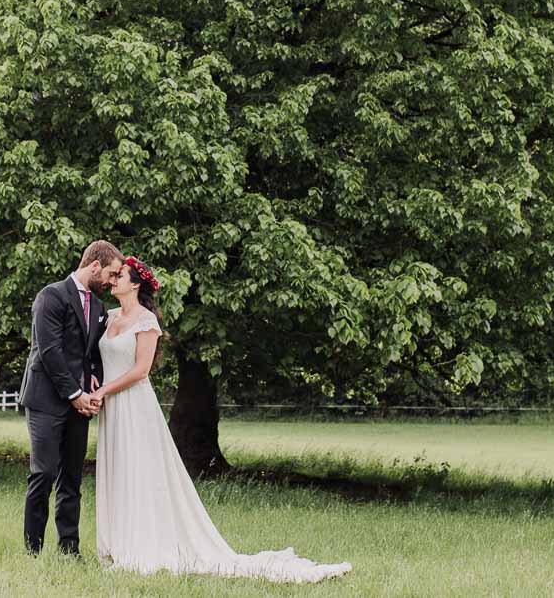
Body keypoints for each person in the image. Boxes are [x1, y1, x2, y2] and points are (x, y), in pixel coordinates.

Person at [88, 255, 352, 582]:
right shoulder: (109, 316)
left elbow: (140, 370)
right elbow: (99, 359)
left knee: (139, 471)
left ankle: (142, 544)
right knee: (118, 469)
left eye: (120, 276)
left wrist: (105, 390)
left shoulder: (146, 321)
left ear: (136, 283)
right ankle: (118, 540)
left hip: (132, 405)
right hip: (111, 405)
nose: (112, 280)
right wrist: (94, 382)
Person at [18, 239, 123, 557]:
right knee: (44, 473)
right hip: (46, 399)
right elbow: (49, 352)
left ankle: (69, 549)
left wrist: (93, 378)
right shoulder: (50, 296)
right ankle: (33, 549)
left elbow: (90, 353)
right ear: (95, 266)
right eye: (111, 273)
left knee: (71, 479)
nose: (112, 281)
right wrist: (75, 394)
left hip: (80, 404)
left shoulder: (100, 307)